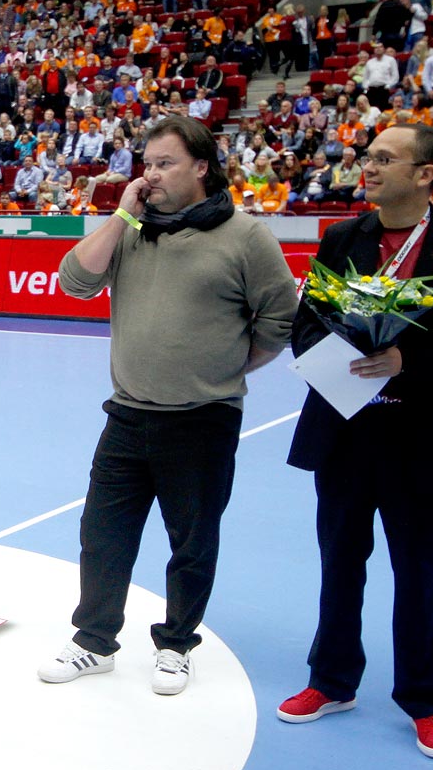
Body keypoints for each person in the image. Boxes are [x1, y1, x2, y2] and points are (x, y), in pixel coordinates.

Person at [37, 116, 296, 695]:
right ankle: (94, 641)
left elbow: (278, 319)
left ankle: (177, 644)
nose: (149, 174)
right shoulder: (132, 227)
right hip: (127, 413)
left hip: (204, 419)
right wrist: (122, 214)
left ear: (201, 167)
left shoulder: (246, 237)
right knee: (102, 533)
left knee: (192, 540)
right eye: (146, 163)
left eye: (164, 163)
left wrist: (228, 367)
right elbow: (74, 282)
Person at [279, 124, 433, 759]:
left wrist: (408, 359)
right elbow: (306, 324)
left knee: (420, 571)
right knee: (339, 563)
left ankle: (424, 700)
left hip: (423, 437)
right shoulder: (341, 237)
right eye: (367, 155)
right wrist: (337, 357)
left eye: (385, 157)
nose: (368, 165)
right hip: (347, 430)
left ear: (426, 174)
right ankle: (331, 682)